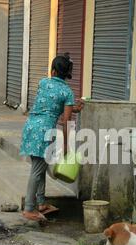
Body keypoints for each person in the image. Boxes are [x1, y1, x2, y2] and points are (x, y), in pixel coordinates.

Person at [20, 53, 83, 222]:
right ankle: (29, 209)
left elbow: (50, 104)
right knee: (37, 170)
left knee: (39, 166)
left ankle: (41, 203)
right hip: (45, 130)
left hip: (31, 126)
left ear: (53, 71)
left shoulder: (43, 82)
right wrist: (67, 147)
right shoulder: (67, 92)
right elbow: (66, 120)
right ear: (67, 73)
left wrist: (72, 108)